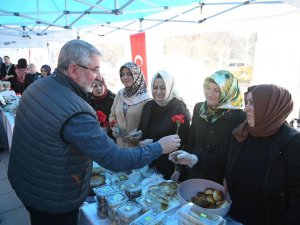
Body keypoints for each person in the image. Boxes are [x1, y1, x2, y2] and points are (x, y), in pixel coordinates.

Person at [7, 39, 181, 225]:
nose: (98, 76)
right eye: (95, 70)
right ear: (74, 70)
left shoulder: (38, 86)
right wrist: (158, 147)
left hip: (29, 182)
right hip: (53, 197)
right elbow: (115, 159)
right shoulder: (75, 111)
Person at [170, 84, 300, 224]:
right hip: (233, 217)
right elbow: (219, 161)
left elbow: (296, 203)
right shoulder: (242, 132)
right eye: (247, 102)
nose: (246, 108)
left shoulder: (292, 143)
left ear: (271, 107)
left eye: (253, 103)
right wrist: (191, 159)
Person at [173, 70, 246, 184]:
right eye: (208, 88)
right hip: (193, 172)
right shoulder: (199, 108)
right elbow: (191, 141)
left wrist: (193, 160)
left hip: (216, 178)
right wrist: (179, 169)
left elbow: (226, 155)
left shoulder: (238, 117)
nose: (210, 94)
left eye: (217, 90)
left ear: (228, 92)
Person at [138, 70, 190, 181]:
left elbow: (182, 141)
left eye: (163, 87)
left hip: (168, 165)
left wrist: (153, 142)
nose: (158, 92)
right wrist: (138, 133)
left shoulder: (179, 108)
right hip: (150, 161)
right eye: (155, 87)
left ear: (170, 87)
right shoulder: (149, 105)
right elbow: (143, 127)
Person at [109, 62, 150, 147]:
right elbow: (112, 115)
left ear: (136, 75)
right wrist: (114, 127)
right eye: (122, 74)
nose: (125, 77)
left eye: (129, 74)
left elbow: (149, 124)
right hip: (120, 146)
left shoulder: (146, 99)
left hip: (137, 147)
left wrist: (139, 133)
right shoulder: (120, 95)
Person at [88, 75, 116, 139]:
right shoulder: (88, 99)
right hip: (94, 135)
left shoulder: (113, 99)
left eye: (101, 85)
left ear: (104, 85)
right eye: (95, 86)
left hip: (111, 135)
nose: (99, 88)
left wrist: (107, 127)